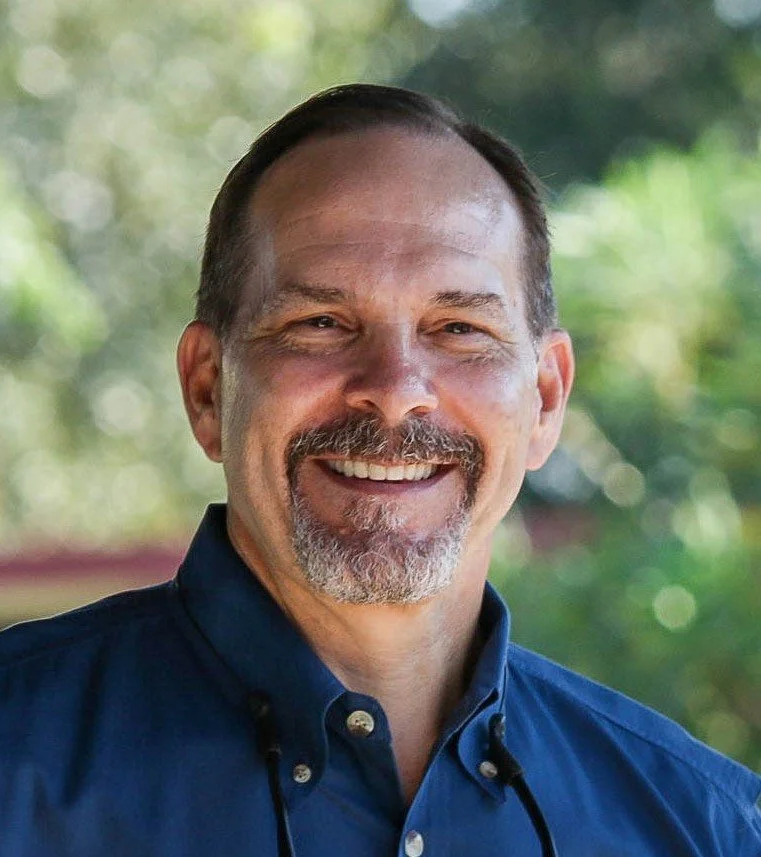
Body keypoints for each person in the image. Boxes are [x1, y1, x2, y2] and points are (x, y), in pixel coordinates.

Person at [1, 84, 759, 857]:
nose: (396, 390)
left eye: (459, 328)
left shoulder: (704, 827)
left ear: (543, 396)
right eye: (320, 323)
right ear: (207, 386)